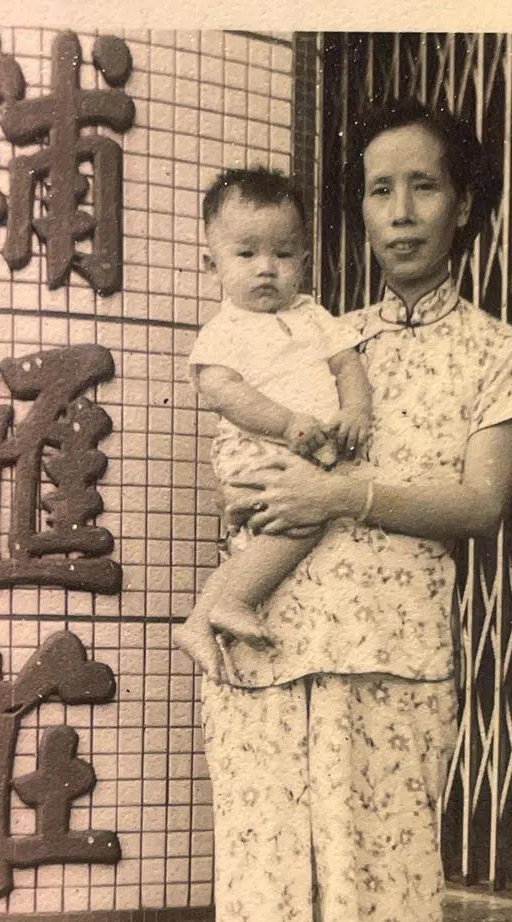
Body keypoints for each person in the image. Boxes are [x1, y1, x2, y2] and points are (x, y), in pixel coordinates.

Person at [181, 99, 512, 922]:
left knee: (383, 891)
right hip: (266, 644)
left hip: (391, 652)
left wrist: (349, 489)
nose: (399, 210)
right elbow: (235, 447)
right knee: (261, 888)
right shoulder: (317, 328)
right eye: (379, 189)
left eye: (422, 186)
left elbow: (481, 503)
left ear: (463, 203)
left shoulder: (500, 352)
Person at [174, 167, 372, 681]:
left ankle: (199, 619)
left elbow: (348, 364)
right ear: (211, 264)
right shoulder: (226, 329)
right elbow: (224, 392)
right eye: (247, 254)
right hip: (258, 447)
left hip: (304, 448)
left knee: (267, 539)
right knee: (300, 522)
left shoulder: (313, 316)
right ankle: (232, 602)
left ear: (303, 261)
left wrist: (355, 410)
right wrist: (286, 425)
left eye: (282, 255)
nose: (267, 268)